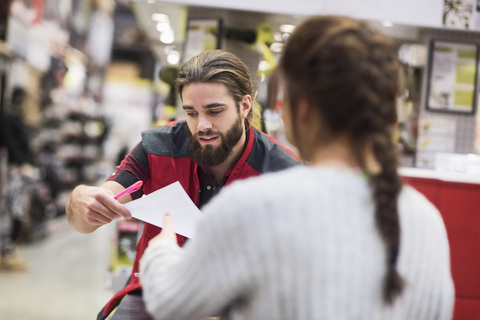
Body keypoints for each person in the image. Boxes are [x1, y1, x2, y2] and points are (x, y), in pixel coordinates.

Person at [139, 15, 455, 320]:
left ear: (300, 109)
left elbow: (171, 303)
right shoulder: (425, 221)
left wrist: (161, 250)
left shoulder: (252, 206)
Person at [65, 50, 299, 319]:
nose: (202, 125)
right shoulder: (157, 149)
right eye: (191, 113)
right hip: (154, 300)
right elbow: (85, 221)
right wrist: (80, 201)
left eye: (215, 111)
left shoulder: (283, 172)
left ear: (244, 106)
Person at [0, 86, 34, 271]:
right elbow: (12, 145)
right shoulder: (8, 119)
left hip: (21, 171)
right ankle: (7, 252)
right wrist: (22, 164)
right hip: (17, 172)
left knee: (17, 211)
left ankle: (9, 251)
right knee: (14, 211)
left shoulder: (17, 120)